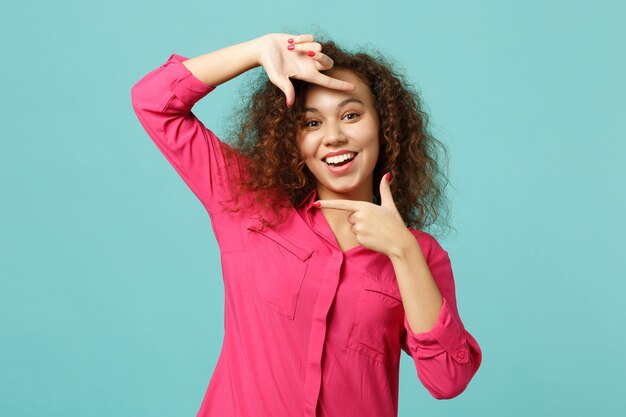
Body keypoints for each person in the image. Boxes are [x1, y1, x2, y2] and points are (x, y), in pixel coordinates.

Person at [130, 32, 482, 417]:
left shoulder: (420, 255)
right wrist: (256, 51)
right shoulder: (246, 203)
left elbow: (448, 379)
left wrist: (402, 251)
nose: (333, 137)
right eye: (312, 123)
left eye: (351, 115)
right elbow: (154, 102)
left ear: (384, 127)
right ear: (291, 138)